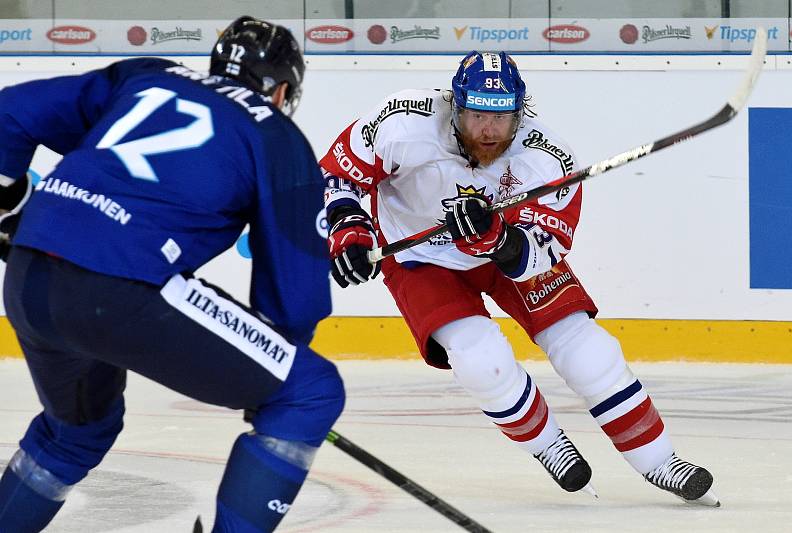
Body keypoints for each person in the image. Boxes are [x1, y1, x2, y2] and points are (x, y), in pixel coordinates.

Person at [320, 50, 719, 506]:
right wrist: (349, 230)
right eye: (476, 116)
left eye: (501, 118)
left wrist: (497, 238)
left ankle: (660, 460)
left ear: (520, 111)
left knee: (590, 351)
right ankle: (549, 445)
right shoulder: (402, 120)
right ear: (456, 105)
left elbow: (540, 253)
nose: (489, 131)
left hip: (504, 254)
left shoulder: (547, 159)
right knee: (480, 361)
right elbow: (338, 175)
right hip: (418, 256)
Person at [0, 16, 344, 532]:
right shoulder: (277, 136)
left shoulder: (147, 74)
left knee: (74, 432)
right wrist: (273, 389)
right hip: (119, 287)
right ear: (283, 89)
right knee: (310, 391)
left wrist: (9, 208)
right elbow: (294, 301)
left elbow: (8, 113)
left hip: (28, 277)